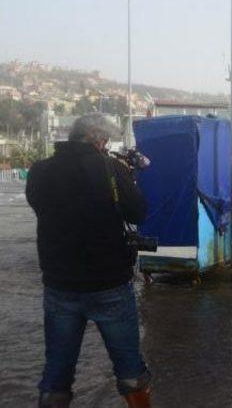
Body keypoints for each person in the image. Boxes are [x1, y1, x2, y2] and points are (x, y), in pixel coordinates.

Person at [26, 114, 151, 408]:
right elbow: (138, 214)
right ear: (95, 136)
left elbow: (41, 207)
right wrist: (127, 179)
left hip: (59, 285)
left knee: (56, 373)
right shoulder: (111, 168)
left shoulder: (40, 170)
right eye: (105, 139)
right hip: (110, 284)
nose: (106, 144)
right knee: (130, 371)